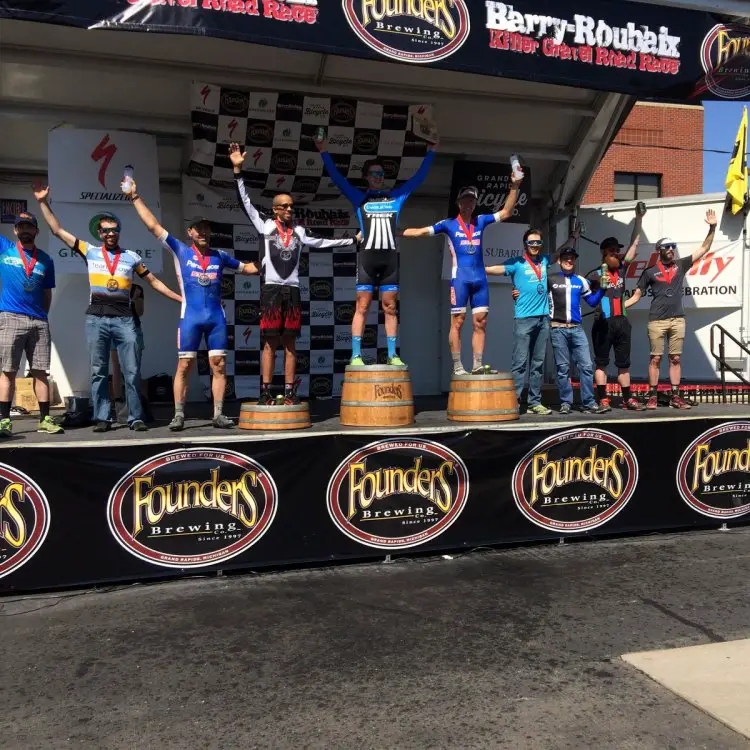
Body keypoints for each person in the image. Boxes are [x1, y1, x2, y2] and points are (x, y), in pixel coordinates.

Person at [35, 187, 182, 432]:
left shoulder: (131, 257)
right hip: (96, 319)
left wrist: (179, 298)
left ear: (119, 232)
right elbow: (58, 231)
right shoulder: (89, 251)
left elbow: (153, 282)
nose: (111, 234)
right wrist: (42, 203)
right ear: (100, 233)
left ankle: (135, 417)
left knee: (132, 371)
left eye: (115, 230)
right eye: (107, 231)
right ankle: (103, 417)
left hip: (125, 320)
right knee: (98, 372)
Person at [124, 178, 259, 431]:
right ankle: (178, 415)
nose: (204, 232)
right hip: (191, 318)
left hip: (216, 318)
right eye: (199, 228)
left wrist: (272, 256)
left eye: (207, 228)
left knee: (218, 365)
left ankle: (218, 414)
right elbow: (153, 226)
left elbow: (249, 269)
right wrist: (134, 197)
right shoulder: (180, 250)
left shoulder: (220, 256)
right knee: (184, 365)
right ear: (190, 232)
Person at [229, 143, 356, 404]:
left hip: (293, 291)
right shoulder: (264, 225)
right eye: (285, 206)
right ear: (275, 209)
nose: (290, 210)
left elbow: (321, 243)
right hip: (272, 290)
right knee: (269, 343)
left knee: (290, 344)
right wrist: (237, 170)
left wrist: (351, 241)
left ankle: (289, 391)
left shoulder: (298, 232)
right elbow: (245, 202)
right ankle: (265, 391)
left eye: (291, 206)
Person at [315, 134, 437, 366]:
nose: (379, 178)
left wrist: (432, 152)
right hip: (367, 259)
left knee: (390, 307)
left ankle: (392, 354)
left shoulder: (396, 198)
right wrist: (324, 152)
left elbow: (418, 178)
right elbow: (338, 178)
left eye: (381, 174)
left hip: (390, 259)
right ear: (366, 177)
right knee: (362, 306)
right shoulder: (360, 198)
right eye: (374, 174)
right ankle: (356, 354)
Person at [401, 179, 522, 375]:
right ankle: (457, 366)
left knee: (481, 321)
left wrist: (514, 187)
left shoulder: (481, 221)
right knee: (458, 321)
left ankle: (477, 365)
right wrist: (394, 233)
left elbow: (507, 212)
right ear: (458, 203)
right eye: (465, 200)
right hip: (460, 279)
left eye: (472, 201)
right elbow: (421, 232)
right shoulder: (448, 224)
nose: (469, 204)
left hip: (479, 279)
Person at [626, 209, 718, 410]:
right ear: (659, 250)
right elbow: (636, 295)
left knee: (675, 358)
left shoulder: (681, 264)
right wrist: (617, 307)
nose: (671, 249)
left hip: (678, 319)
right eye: (667, 246)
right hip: (657, 320)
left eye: (673, 246)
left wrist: (712, 227)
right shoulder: (649, 272)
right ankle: (652, 396)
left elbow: (704, 247)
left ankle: (676, 396)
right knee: (655, 358)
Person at [486, 228, 573, 415]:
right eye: (531, 242)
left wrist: (572, 238)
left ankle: (534, 402)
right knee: (519, 363)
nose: (535, 246)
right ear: (525, 244)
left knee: (538, 364)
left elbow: (558, 253)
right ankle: (514, 401)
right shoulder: (516, 263)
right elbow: (497, 269)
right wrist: (476, 268)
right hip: (523, 319)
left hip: (542, 320)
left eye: (538, 243)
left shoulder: (544, 260)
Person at [0, 211, 62, 437]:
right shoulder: (4, 248)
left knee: (40, 372)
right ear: (15, 230)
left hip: (38, 321)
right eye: (21, 227)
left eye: (29, 227)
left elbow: (47, 293)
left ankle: (45, 419)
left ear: (36, 230)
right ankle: (4, 420)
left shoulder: (46, 259)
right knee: (8, 371)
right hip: (10, 317)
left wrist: (42, 316)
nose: (25, 230)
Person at [588, 204, 646, 412]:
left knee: (624, 364)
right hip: (603, 322)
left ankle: (627, 398)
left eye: (618, 250)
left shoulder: (621, 270)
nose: (618, 253)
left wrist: (638, 219)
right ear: (605, 253)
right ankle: (603, 398)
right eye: (613, 250)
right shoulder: (594, 274)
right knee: (601, 362)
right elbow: (585, 297)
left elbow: (634, 244)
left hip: (622, 322)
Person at [546, 247, 605, 414]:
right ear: (559, 260)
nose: (569, 260)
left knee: (586, 366)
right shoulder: (550, 279)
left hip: (577, 329)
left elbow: (592, 302)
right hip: (558, 329)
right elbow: (537, 295)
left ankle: (589, 402)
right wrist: (517, 293)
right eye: (566, 257)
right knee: (562, 368)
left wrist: (602, 290)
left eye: (572, 258)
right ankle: (566, 402)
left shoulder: (581, 280)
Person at [111, 283, 145, 422]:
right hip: (115, 328)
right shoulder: (113, 285)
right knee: (117, 367)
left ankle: (136, 406)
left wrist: (136, 298)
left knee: (134, 369)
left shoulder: (138, 288)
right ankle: (118, 404)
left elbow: (140, 312)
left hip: (134, 329)